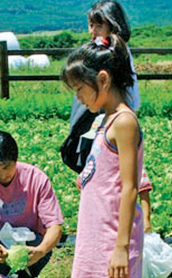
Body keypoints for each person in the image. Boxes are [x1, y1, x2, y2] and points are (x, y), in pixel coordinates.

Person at [62, 35, 151, 278]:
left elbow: (130, 187)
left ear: (103, 79)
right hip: (98, 234)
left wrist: (120, 248)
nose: (79, 98)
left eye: (80, 89)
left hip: (116, 236)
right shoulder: (105, 119)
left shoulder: (124, 121)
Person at [64, 0, 153, 231]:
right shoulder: (94, 53)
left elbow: (133, 97)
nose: (93, 31)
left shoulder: (118, 54)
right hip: (95, 127)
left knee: (123, 180)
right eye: (90, 25)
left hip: (109, 127)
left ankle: (130, 226)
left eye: (98, 25)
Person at [0, 130, 64, 278]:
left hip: (32, 243)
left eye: (7, 167)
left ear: (15, 158)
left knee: (40, 243)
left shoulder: (36, 178)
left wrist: (41, 251)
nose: (3, 175)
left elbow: (54, 226)